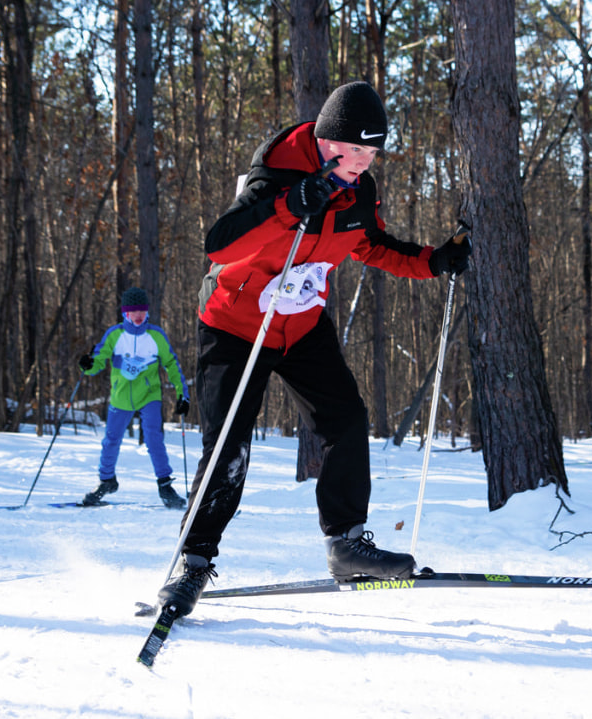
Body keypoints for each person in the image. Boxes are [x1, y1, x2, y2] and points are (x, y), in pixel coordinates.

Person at [160, 81, 472, 616]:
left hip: (301, 322)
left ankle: (347, 543)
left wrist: (431, 261)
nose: (366, 162)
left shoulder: (358, 189)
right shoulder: (276, 172)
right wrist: (288, 205)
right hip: (237, 325)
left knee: (346, 419)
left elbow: (370, 243)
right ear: (330, 143)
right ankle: (192, 564)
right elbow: (221, 243)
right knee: (229, 447)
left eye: (373, 153)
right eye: (359, 151)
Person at [78, 287, 191, 509]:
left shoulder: (156, 336)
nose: (138, 315)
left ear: (147, 312)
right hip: (120, 397)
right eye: (133, 311)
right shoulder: (114, 335)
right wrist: (89, 366)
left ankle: (165, 486)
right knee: (111, 440)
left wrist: (182, 395)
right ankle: (106, 481)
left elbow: (172, 365)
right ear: (125, 314)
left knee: (153, 439)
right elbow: (98, 360)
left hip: (149, 395)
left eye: (142, 311)